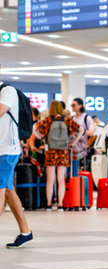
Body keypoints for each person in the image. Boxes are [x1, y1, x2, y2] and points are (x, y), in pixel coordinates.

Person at [30, 101, 83, 211]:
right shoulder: (66, 120)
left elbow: (34, 129)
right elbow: (81, 130)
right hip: (63, 151)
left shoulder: (48, 120)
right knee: (61, 179)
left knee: (50, 180)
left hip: (51, 152)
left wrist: (43, 138)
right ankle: (60, 205)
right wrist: (73, 142)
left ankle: (49, 204)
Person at [0, 81, 34, 248]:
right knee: (7, 191)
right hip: (1, 149)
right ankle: (26, 232)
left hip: (8, 150)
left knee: (0, 188)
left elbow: (0, 111)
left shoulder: (7, 90)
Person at [71, 98, 97, 175]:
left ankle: (78, 184)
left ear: (80, 105)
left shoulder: (86, 118)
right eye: (71, 105)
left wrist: (86, 145)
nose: (72, 107)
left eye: (74, 105)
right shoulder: (72, 118)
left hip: (81, 148)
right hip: (72, 147)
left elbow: (93, 134)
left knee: (77, 170)